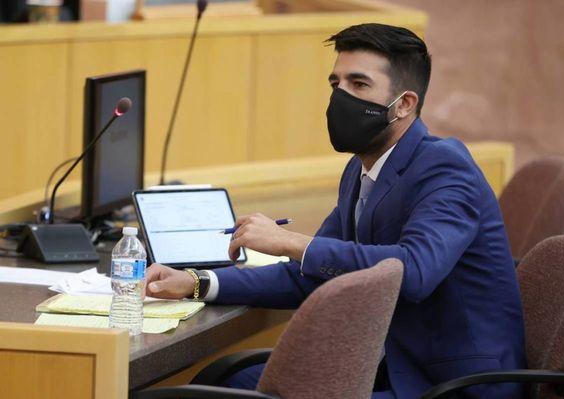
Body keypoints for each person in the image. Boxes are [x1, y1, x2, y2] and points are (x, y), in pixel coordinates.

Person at [145, 23, 526, 399]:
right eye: (335, 84)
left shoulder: (444, 167)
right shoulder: (361, 169)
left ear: (405, 104)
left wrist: (290, 241)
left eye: (359, 85)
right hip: (389, 368)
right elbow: (307, 274)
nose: (340, 97)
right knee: (224, 383)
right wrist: (196, 281)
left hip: (450, 386)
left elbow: (415, 272)